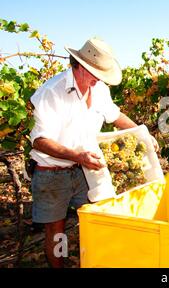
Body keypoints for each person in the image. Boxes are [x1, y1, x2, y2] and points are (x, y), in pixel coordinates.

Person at [29, 38, 159, 268]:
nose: (97, 79)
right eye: (93, 73)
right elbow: (39, 141)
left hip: (85, 170)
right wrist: (77, 156)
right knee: (57, 229)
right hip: (52, 172)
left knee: (103, 216)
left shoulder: (99, 89)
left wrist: (142, 133)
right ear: (77, 65)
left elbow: (115, 116)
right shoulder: (52, 92)